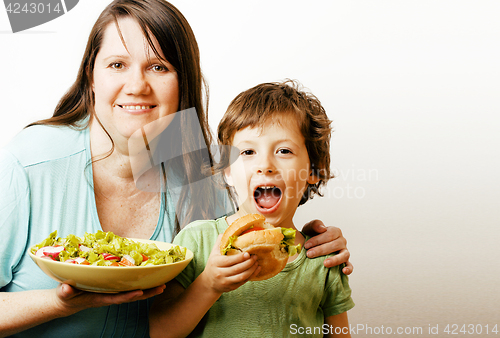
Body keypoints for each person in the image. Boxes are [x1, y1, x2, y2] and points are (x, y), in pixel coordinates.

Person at [0, 1, 352, 337]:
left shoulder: (204, 180)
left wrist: (306, 242)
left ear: (184, 83)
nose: (137, 86)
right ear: (91, 76)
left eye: (159, 66)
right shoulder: (30, 162)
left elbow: (243, 273)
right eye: (117, 65)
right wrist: (58, 303)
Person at [149, 80, 354, 338]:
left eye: (283, 150)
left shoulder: (324, 258)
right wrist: (208, 285)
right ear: (227, 170)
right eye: (247, 151)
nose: (265, 165)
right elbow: (160, 332)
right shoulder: (197, 241)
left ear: (314, 170)